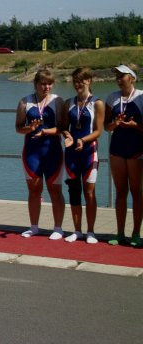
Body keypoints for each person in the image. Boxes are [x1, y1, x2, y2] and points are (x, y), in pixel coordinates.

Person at [15, 69, 65, 239]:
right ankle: (34, 227)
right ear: (35, 84)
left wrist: (45, 132)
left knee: (55, 190)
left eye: (49, 84)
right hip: (32, 153)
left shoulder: (58, 101)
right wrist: (30, 128)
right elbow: (18, 128)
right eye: (43, 84)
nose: (46, 87)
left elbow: (62, 128)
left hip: (53, 151)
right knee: (34, 190)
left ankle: (58, 228)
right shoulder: (24, 102)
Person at [61, 67, 104, 244]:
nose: (77, 84)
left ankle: (91, 231)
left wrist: (82, 140)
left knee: (89, 192)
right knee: (74, 191)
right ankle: (77, 230)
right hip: (71, 153)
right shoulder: (68, 103)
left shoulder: (97, 103)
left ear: (89, 81)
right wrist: (68, 136)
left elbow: (99, 131)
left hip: (89, 152)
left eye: (81, 81)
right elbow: (64, 127)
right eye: (75, 81)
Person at [104, 64, 143, 246]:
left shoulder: (141, 97)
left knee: (137, 192)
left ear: (132, 78)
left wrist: (135, 126)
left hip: (137, 150)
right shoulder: (112, 97)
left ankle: (136, 233)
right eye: (117, 76)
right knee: (120, 192)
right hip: (117, 149)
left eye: (122, 76)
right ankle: (120, 233)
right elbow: (106, 126)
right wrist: (115, 124)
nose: (119, 79)